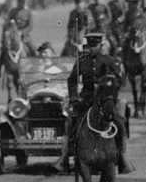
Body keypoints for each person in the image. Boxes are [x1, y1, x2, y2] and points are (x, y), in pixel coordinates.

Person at [52, 33, 134, 174]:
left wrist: (109, 86)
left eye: (95, 46)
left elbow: (121, 81)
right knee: (70, 123)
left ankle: (122, 157)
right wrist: (73, 98)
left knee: (119, 122)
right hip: (87, 99)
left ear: (100, 45)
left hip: (105, 99)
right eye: (90, 45)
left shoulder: (110, 61)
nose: (92, 48)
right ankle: (64, 158)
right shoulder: (82, 61)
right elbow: (72, 80)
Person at [0, 0, 35, 74]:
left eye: (24, 1)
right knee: (4, 50)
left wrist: (22, 32)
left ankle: (36, 67)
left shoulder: (28, 12)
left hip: (24, 37)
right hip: (13, 36)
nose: (23, 3)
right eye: (21, 1)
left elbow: (30, 26)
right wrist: (11, 27)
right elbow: (7, 24)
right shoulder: (13, 11)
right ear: (19, 1)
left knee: (33, 49)